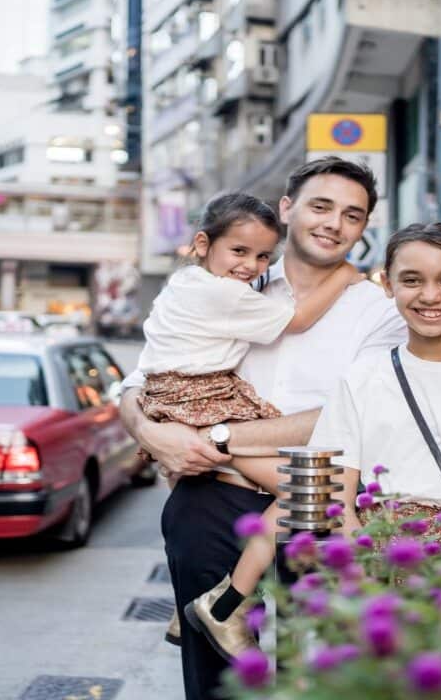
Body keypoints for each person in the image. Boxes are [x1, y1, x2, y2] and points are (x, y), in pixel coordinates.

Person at [119, 156, 406, 700]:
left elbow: (353, 416)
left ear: (364, 227)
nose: (334, 223)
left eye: (352, 215)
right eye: (321, 206)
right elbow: (143, 379)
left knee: (311, 678)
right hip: (211, 500)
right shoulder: (230, 282)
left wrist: (218, 439)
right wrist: (147, 430)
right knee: (218, 685)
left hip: (313, 506)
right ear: (288, 209)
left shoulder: (379, 310)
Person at [131, 191, 360, 654]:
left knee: (304, 488)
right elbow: (298, 319)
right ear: (203, 244)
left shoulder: (189, 283)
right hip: (200, 399)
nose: (251, 265)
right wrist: (344, 275)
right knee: (313, 489)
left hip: (184, 396)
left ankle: (193, 606)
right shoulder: (220, 292)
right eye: (239, 251)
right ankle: (223, 606)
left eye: (261, 256)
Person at [312, 223, 441, 537]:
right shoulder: (363, 377)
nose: (430, 296)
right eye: (411, 280)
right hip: (378, 551)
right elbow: (334, 495)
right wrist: (363, 556)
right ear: (387, 283)